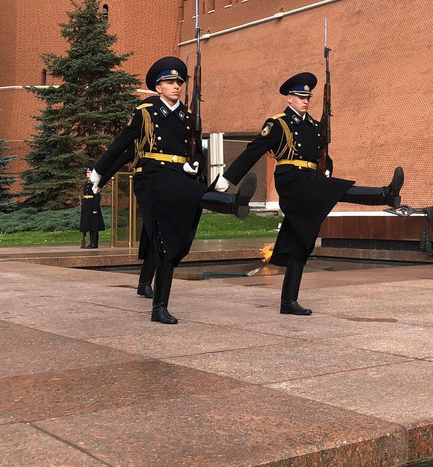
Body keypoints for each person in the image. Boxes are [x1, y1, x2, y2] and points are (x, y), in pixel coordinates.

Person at [220, 72, 404, 316]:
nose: (305, 101)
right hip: (291, 181)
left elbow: (324, 159)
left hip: (310, 181)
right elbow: (253, 151)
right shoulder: (278, 124)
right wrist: (228, 178)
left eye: (308, 97)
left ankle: (288, 302)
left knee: (301, 240)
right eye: (300, 96)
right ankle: (385, 194)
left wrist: (326, 171)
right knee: (335, 189)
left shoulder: (315, 127)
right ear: (289, 99)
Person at [91, 57, 256, 324]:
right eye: (170, 82)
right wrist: (98, 173)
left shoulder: (187, 117)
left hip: (178, 179)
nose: (176, 86)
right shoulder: (145, 112)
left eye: (179, 81)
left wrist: (195, 163)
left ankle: (231, 203)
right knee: (167, 230)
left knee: (167, 235)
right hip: (152, 178)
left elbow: (195, 153)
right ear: (158, 88)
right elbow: (120, 145)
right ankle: (231, 203)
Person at [79, 168, 105, 248]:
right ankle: (91, 242)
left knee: (94, 226)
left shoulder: (95, 183)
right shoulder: (87, 182)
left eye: (89, 172)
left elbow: (96, 196)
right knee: (89, 225)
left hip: (92, 206)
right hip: (87, 206)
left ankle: (95, 243)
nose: (87, 173)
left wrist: (95, 208)